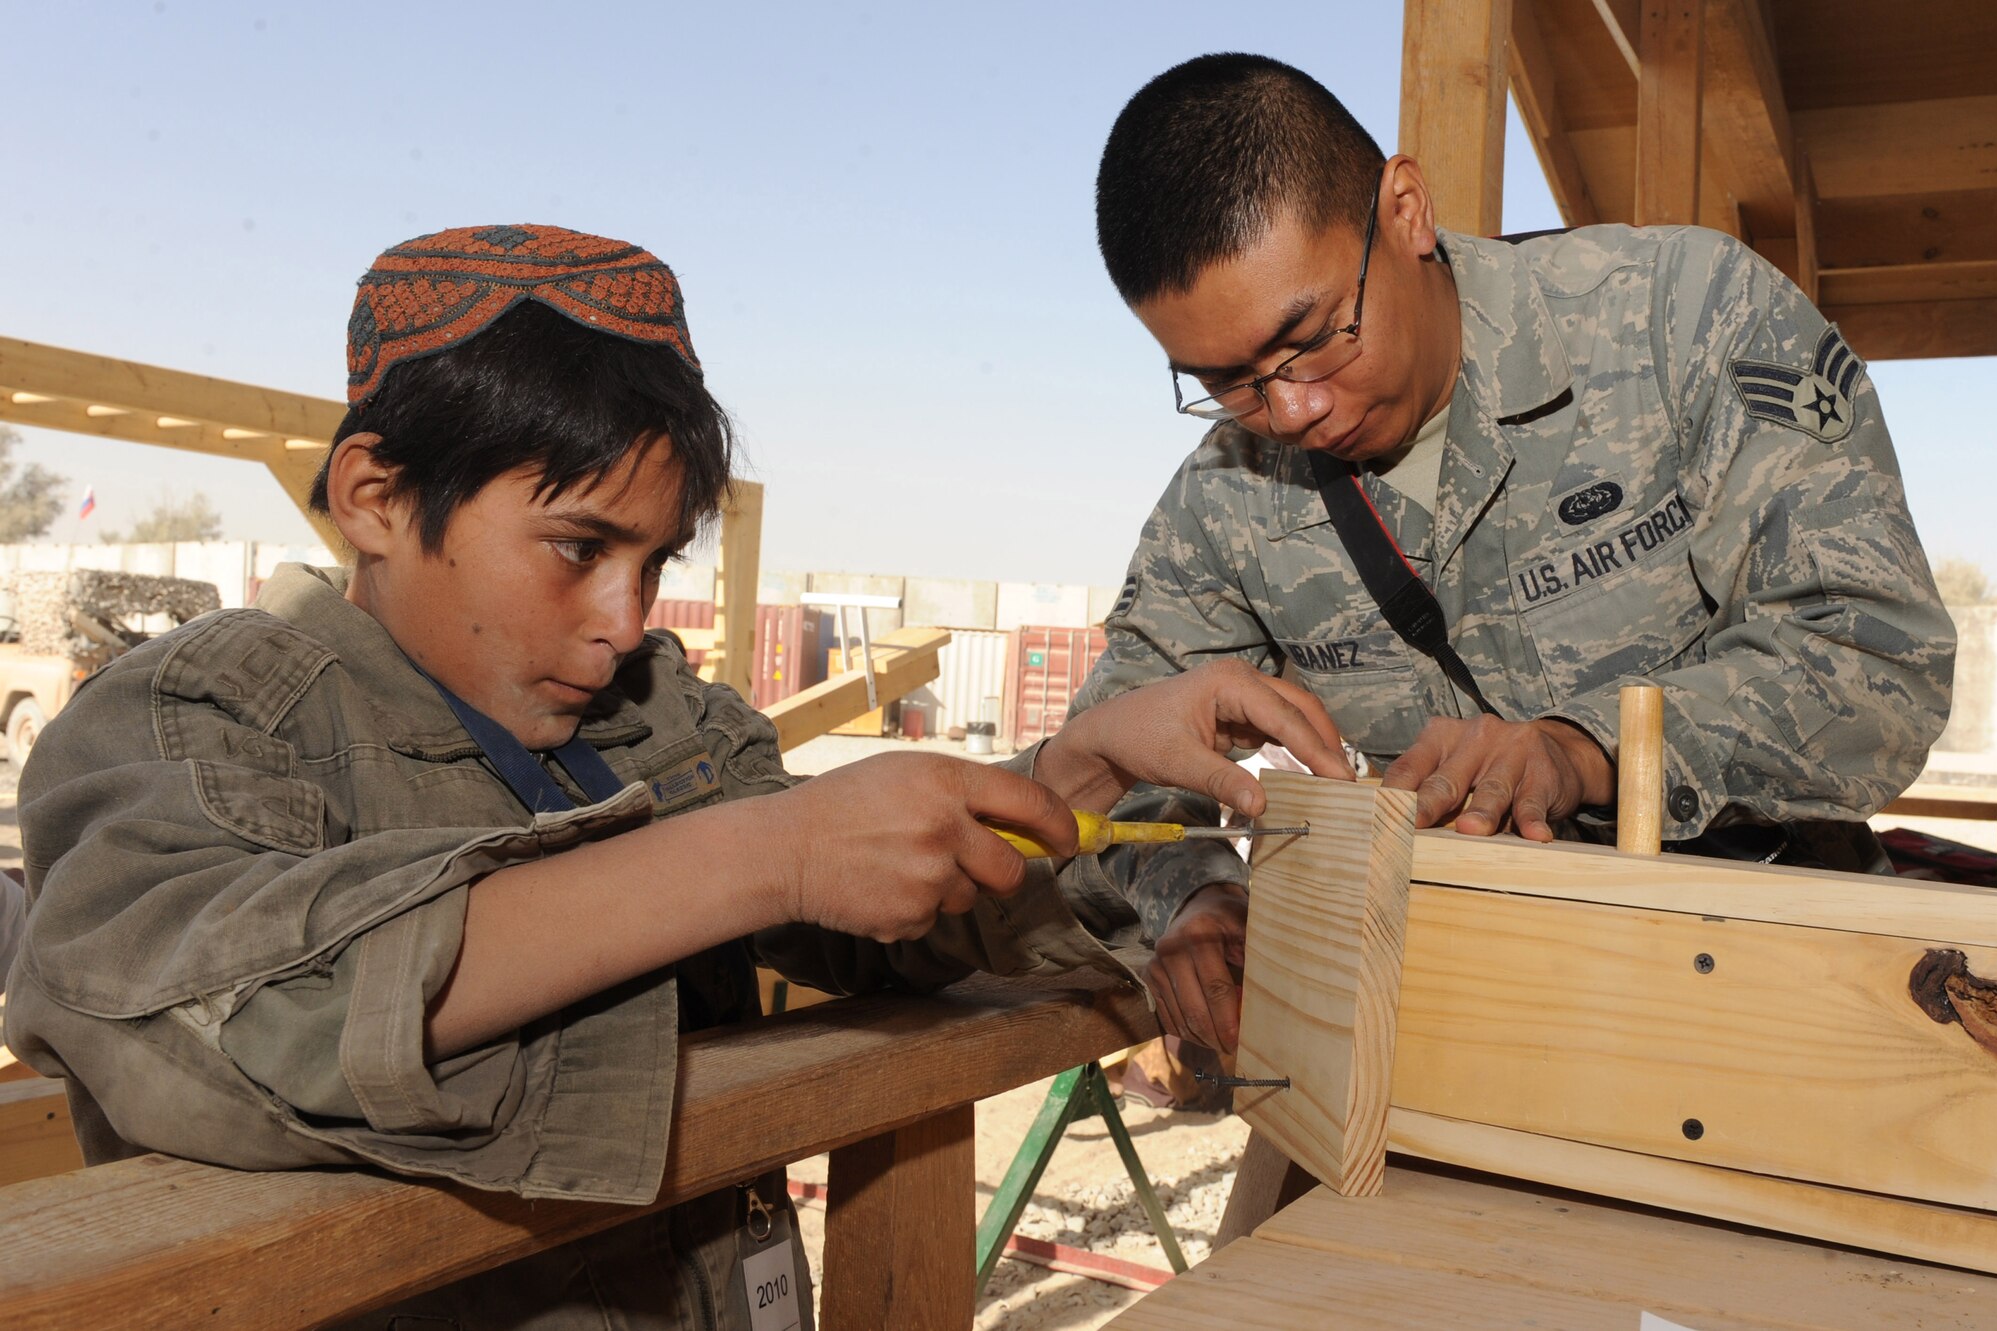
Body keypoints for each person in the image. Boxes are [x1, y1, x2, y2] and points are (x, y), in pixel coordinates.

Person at [1, 224, 1351, 1330]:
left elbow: (873, 931)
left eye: (655, 563)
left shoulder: (662, 725)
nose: (623, 617)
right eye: (577, 548)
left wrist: (1067, 768)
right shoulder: (204, 714)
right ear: (371, 493)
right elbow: (233, 1015)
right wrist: (763, 853)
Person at [1076, 54, 1955, 1055]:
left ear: (1403, 210)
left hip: (1774, 1003)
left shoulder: (1680, 318)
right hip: (1463, 1036)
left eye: (1314, 337)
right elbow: (1106, 759)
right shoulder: (1226, 497)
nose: (1290, 410)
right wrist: (1194, 899)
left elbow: (1874, 660)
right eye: (1226, 381)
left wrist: (1588, 749)